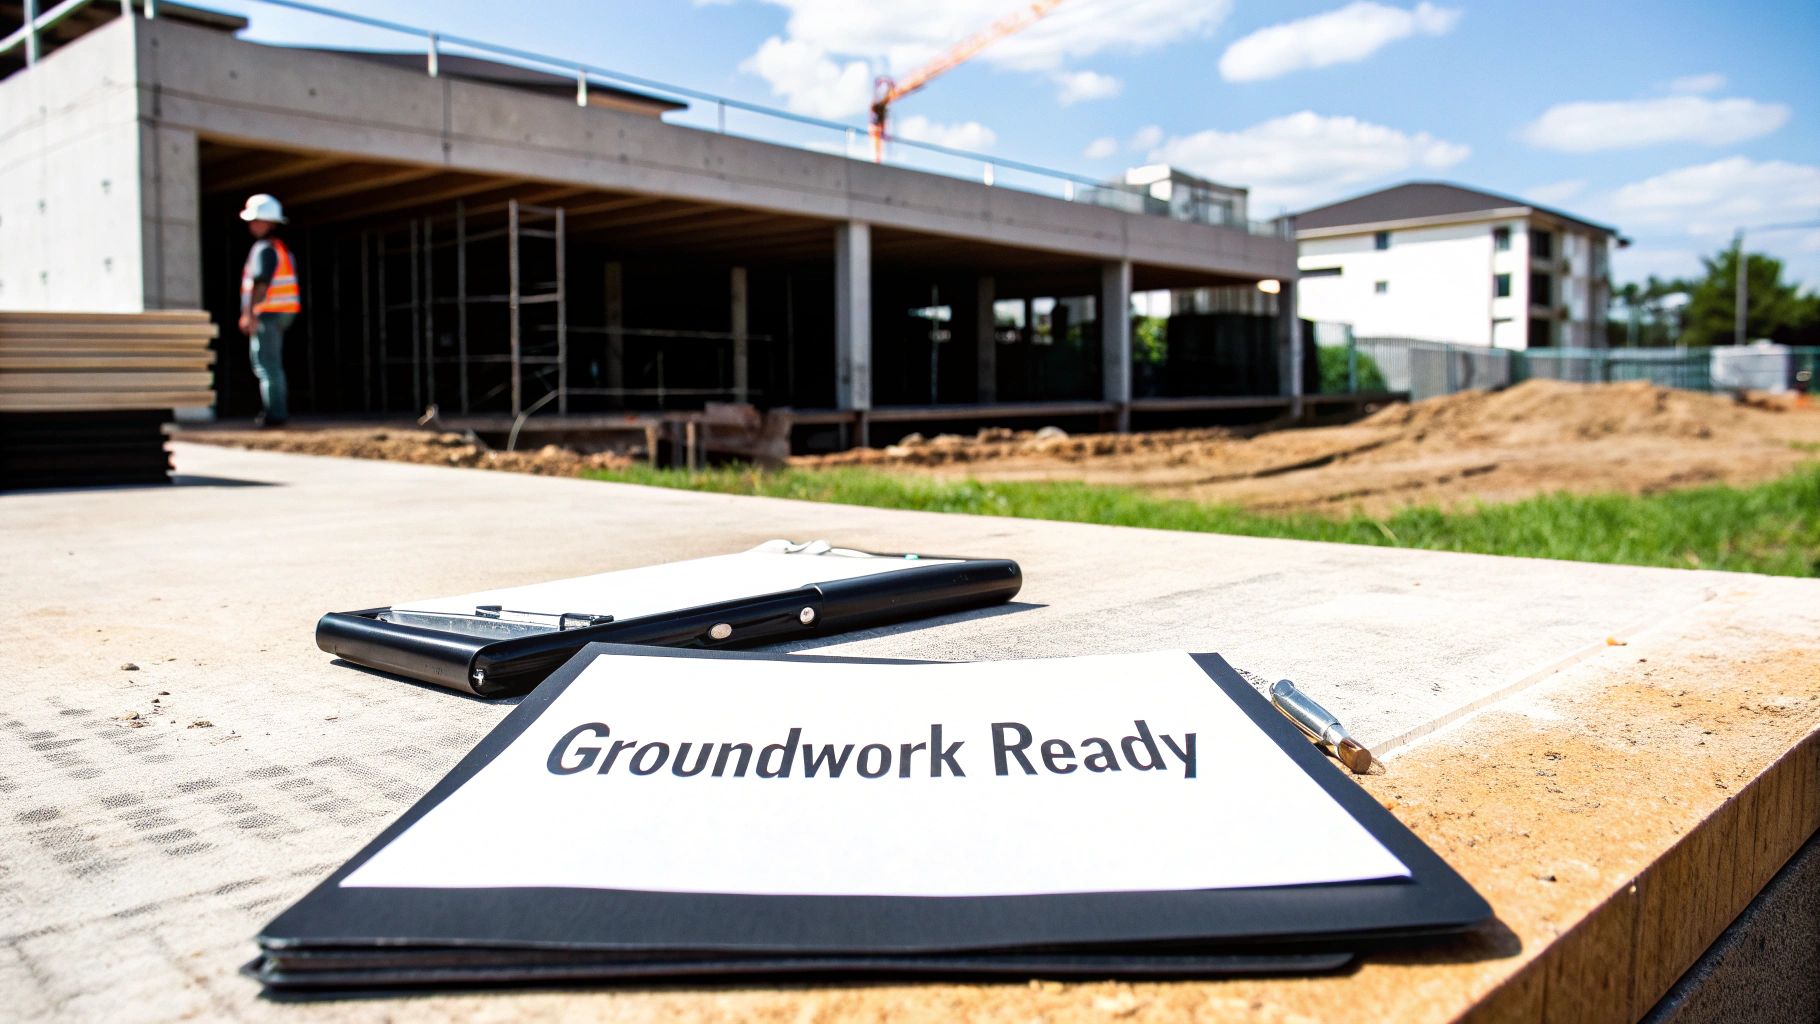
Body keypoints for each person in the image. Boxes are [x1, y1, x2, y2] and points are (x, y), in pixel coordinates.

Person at [237, 194, 301, 427]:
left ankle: (275, 414)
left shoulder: (264, 249)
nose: (252, 225)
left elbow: (261, 283)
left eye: (255, 220)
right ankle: (276, 412)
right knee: (270, 363)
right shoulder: (279, 249)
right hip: (280, 312)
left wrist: (250, 314)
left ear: (267, 222)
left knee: (267, 364)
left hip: (270, 313)